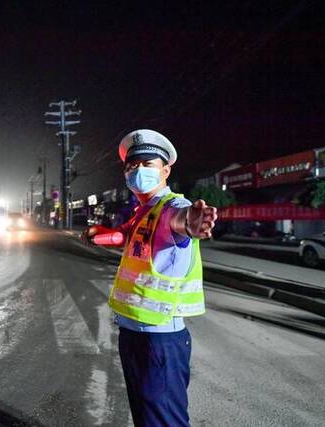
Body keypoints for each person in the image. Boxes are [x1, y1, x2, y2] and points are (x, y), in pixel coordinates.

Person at [85, 129, 217, 427]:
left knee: (163, 421)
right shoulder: (144, 211)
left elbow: (183, 221)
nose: (138, 171)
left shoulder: (172, 207)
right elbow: (129, 236)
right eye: (132, 166)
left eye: (147, 164)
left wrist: (193, 223)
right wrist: (102, 236)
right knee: (146, 419)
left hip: (159, 339)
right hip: (135, 335)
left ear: (165, 170)